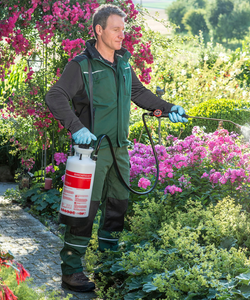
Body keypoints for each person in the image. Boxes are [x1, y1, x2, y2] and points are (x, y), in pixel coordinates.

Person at [45, 3, 188, 293]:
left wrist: (168, 107)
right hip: (91, 154)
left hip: (120, 150)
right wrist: (78, 128)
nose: (122, 35)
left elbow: (138, 92)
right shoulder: (81, 65)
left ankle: (109, 263)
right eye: (116, 29)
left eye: (123, 30)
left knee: (117, 207)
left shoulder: (123, 62)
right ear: (99, 30)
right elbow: (55, 96)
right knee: (84, 211)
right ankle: (71, 272)